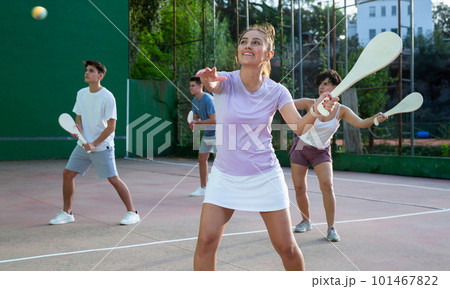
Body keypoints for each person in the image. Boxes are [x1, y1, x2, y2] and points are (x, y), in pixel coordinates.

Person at [193, 23, 339, 271]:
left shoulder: (277, 91)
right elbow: (213, 85)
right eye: (244, 41)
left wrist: (315, 111)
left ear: (268, 55)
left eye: (256, 42)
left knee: (287, 247)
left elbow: (299, 128)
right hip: (224, 177)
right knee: (205, 242)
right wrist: (207, 80)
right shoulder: (226, 79)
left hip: (264, 176)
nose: (247, 44)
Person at [289, 69, 387, 242]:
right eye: (320, 83)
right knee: (299, 187)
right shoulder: (309, 103)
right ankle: (306, 221)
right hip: (301, 146)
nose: (322, 86)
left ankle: (331, 228)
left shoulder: (342, 110)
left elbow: (361, 123)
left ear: (336, 87)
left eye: (326, 83)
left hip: (321, 150)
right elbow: (287, 103)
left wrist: (375, 118)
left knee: (327, 186)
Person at [49, 60, 140, 226]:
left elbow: (112, 126)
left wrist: (94, 143)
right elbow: (79, 117)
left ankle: (132, 212)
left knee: (113, 179)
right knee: (68, 174)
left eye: (91, 71)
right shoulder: (81, 93)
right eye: (86, 70)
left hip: (102, 146)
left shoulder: (107, 97)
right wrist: (76, 128)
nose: (87, 73)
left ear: (100, 75)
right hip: (83, 146)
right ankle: (67, 213)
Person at [188, 76, 217, 197]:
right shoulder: (195, 100)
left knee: (218, 160)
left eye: (193, 85)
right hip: (208, 132)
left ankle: (219, 187)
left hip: (218, 132)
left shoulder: (208, 100)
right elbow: (196, 118)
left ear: (200, 86)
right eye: (190, 86)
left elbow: (214, 119)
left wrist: (197, 123)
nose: (190, 88)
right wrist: (193, 123)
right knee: (202, 158)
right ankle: (203, 187)